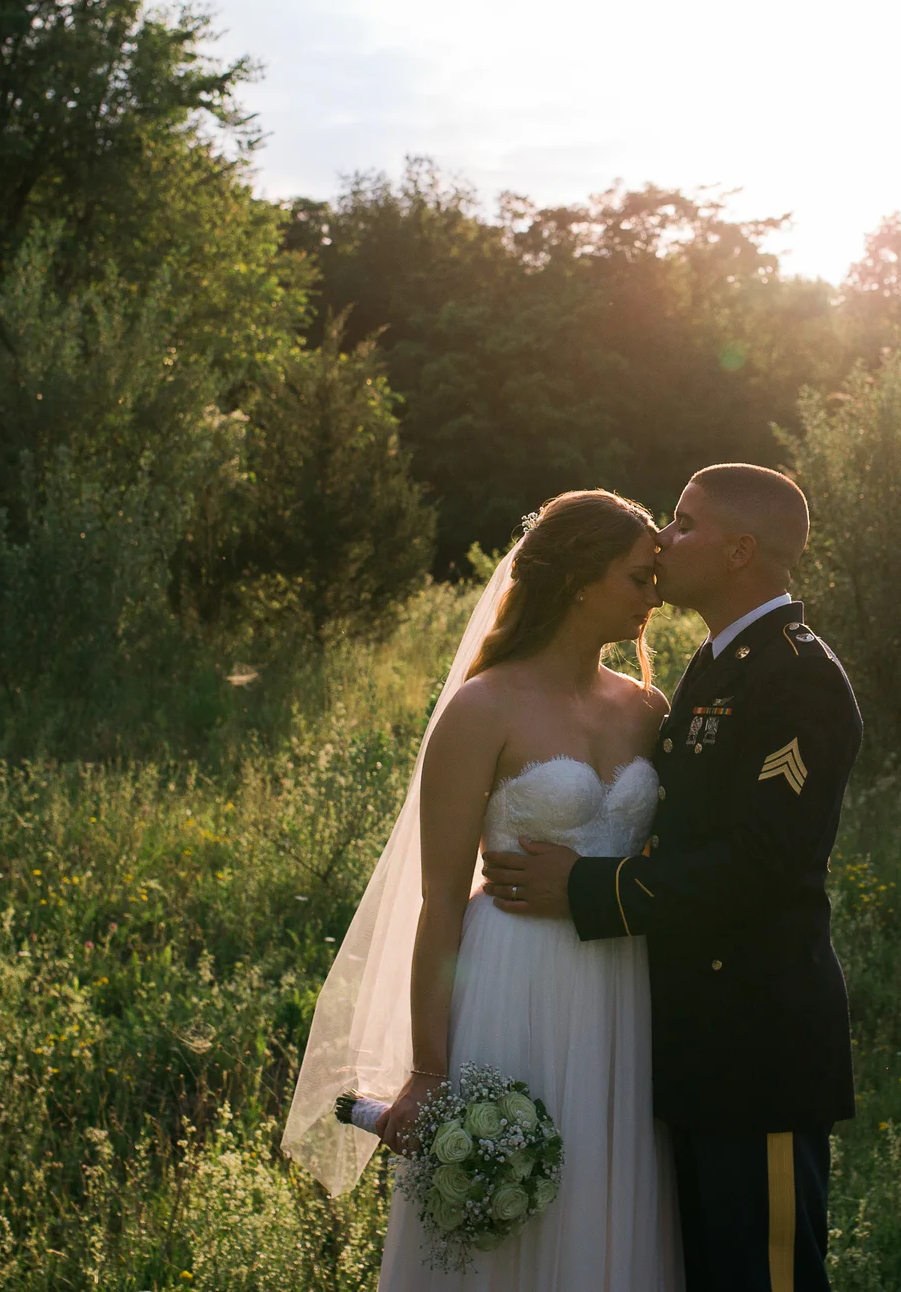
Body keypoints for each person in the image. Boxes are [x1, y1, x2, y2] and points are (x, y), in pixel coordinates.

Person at [283, 490, 685, 1291]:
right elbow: (438, 899)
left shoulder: (649, 708)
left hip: (624, 982)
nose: (655, 596)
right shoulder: (483, 707)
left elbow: (664, 863)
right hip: (514, 980)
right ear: (579, 579)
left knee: (611, 1188)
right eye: (639, 578)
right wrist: (430, 1068)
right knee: (509, 1207)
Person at [487, 464, 863, 1292]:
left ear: (740, 550)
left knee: (765, 1280)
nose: (661, 539)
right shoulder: (716, 667)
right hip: (692, 1044)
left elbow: (759, 869)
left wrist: (589, 888)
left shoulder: (797, 677)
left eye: (683, 524)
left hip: (757, 1050)